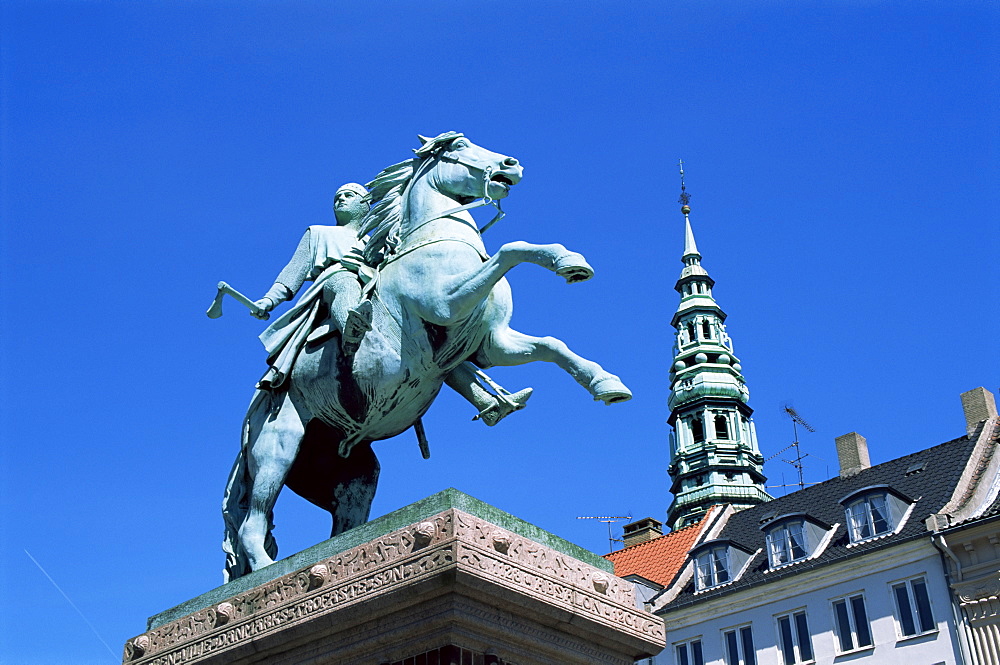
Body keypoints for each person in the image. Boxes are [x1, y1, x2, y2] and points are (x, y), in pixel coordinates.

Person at [252, 182, 530, 425]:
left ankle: (488, 402)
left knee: (432, 342)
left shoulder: (376, 241)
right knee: (343, 281)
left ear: (365, 204)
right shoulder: (318, 233)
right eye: (337, 197)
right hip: (336, 285)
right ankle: (351, 327)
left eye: (348, 195)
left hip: (377, 293)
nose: (339, 200)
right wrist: (269, 299)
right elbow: (292, 273)